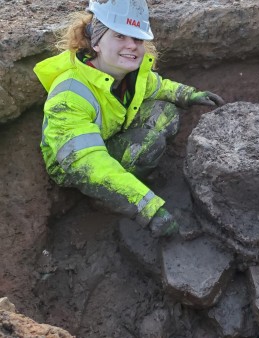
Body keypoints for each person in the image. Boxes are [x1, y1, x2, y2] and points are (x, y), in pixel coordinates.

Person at [33, 0, 224, 237]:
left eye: (137, 39)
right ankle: (105, 200)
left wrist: (189, 94)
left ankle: (131, 178)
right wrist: (147, 207)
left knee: (165, 113)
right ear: (96, 41)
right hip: (73, 165)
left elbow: (157, 87)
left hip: (108, 134)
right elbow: (86, 162)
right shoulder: (69, 95)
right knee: (147, 144)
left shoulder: (128, 73)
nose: (131, 46)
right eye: (120, 36)